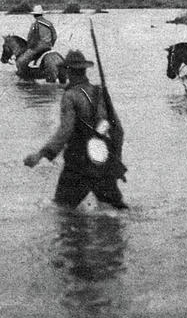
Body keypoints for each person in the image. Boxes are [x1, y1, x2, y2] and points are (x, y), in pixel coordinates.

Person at [24, 50, 127, 210]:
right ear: (84, 70)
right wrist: (116, 161)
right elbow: (118, 131)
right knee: (114, 210)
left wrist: (41, 154)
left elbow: (65, 131)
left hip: (78, 162)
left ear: (68, 71)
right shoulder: (100, 92)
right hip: (104, 160)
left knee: (62, 211)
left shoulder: (70, 96)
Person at [15, 5, 57, 76]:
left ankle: (26, 75)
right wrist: (51, 44)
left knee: (20, 61)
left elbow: (30, 38)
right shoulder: (49, 24)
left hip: (38, 48)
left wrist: (29, 46)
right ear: (42, 14)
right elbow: (55, 36)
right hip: (49, 47)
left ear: (34, 15)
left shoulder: (35, 25)